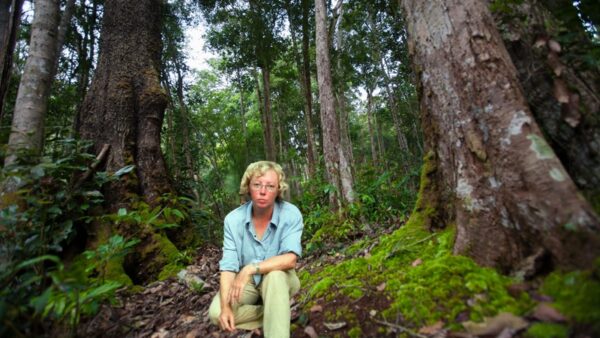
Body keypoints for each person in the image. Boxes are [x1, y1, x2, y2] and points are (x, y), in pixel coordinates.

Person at [209, 161, 303, 337]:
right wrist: (225, 308)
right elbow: (228, 267)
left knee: (274, 276)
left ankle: (276, 321)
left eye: (270, 186)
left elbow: (290, 260)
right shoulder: (233, 220)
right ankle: (276, 310)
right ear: (248, 187)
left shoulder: (290, 214)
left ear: (278, 190)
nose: (262, 191)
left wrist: (250, 268)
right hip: (250, 283)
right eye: (257, 185)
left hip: (280, 275)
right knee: (217, 313)